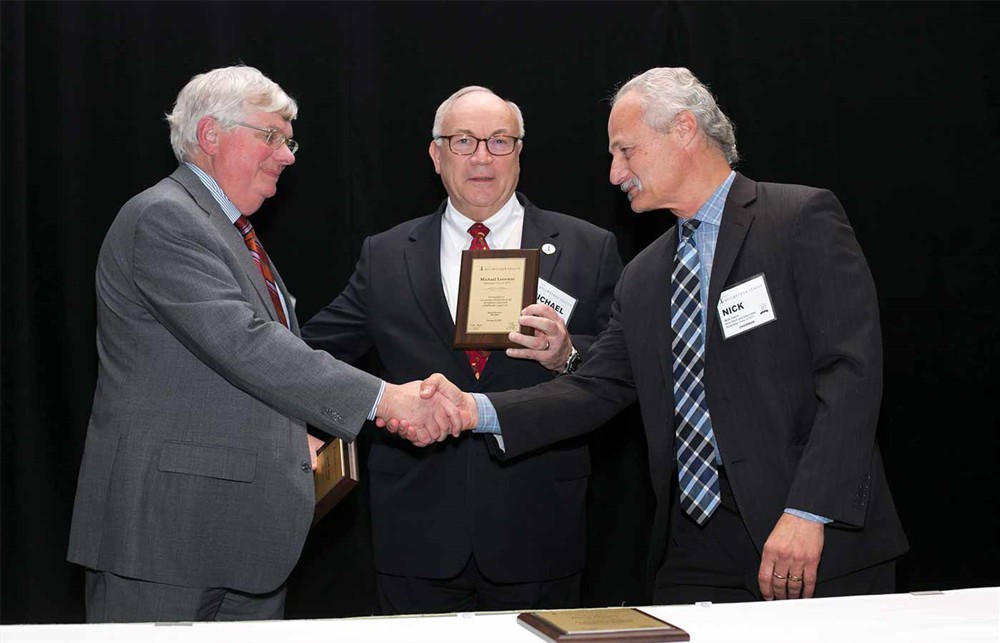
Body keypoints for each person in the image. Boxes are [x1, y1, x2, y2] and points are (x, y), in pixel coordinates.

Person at [415, 67, 909, 604]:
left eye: (625, 151)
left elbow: (851, 372)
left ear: (683, 130)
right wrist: (473, 410)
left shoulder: (797, 218)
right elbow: (594, 388)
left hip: (813, 536)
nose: (613, 172)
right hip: (693, 547)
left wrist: (808, 510)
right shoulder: (646, 274)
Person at [66, 65, 464, 623]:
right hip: (164, 540)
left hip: (240, 539)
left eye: (289, 139)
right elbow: (246, 345)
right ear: (210, 135)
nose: (288, 155)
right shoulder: (164, 218)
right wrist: (384, 399)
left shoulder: (231, 232)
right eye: (271, 136)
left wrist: (286, 435)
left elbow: (231, 371)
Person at [300, 86, 623, 614]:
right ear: (436, 154)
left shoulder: (588, 247)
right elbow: (311, 354)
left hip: (538, 522)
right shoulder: (385, 255)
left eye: (499, 141)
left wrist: (567, 354)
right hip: (416, 529)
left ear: (519, 152)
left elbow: (623, 367)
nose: (480, 157)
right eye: (463, 140)